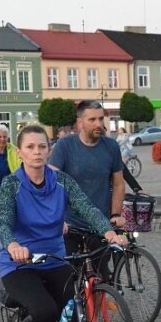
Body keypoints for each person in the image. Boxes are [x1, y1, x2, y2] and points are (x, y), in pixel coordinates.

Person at [0, 125, 128, 322]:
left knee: (74, 314)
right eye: (30, 147)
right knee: (45, 311)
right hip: (21, 264)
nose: (37, 152)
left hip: (56, 259)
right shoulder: (12, 184)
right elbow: (4, 221)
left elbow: (86, 208)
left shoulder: (62, 181)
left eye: (42, 146)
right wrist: (12, 245)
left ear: (49, 150)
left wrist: (108, 232)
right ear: (19, 152)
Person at [48, 100, 125, 273]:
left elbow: (119, 184)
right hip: (71, 223)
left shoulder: (111, 146)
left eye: (100, 118)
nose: (98, 124)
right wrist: (58, 218)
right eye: (92, 120)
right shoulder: (65, 146)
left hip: (100, 223)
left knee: (103, 275)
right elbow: (51, 185)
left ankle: (103, 297)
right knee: (71, 276)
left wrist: (115, 214)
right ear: (80, 122)